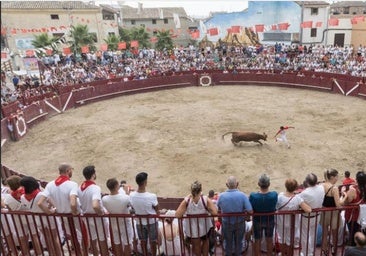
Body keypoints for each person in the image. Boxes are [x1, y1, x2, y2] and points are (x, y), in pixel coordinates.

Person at [37, 163, 87, 256]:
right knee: (84, 235)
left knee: (71, 235)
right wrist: (75, 211)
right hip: (73, 215)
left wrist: (50, 212)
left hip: (62, 215)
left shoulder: (50, 185)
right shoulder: (72, 184)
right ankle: (83, 253)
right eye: (71, 170)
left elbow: (40, 203)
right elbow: (73, 202)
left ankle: (76, 252)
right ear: (68, 171)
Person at [175, 180, 217, 256]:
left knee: (196, 245)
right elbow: (215, 212)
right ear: (201, 190)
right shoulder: (205, 199)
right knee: (205, 242)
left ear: (191, 190)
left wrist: (188, 197)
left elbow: (177, 215)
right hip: (205, 227)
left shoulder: (187, 200)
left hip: (193, 229)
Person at [20, 176, 59, 256]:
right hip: (48, 218)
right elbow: (52, 203)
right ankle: (58, 254)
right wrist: (50, 210)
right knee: (54, 238)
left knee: (47, 238)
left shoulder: (22, 197)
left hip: (38, 219)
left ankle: (51, 253)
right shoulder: (40, 194)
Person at [217, 176, 253, 256]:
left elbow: (215, 209)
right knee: (238, 243)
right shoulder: (242, 195)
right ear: (237, 184)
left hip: (227, 223)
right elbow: (250, 210)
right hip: (239, 223)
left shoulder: (221, 196)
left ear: (226, 184)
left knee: (228, 243)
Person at [77, 165, 109, 256]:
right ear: (93, 175)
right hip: (97, 217)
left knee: (93, 240)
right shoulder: (95, 188)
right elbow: (95, 205)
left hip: (87, 217)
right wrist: (101, 213)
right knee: (102, 240)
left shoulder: (79, 188)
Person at [276, 178, 311, 256]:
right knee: (289, 240)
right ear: (295, 188)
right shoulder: (297, 198)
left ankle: (282, 253)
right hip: (293, 224)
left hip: (281, 222)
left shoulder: (280, 196)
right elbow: (308, 210)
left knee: (281, 238)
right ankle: (288, 254)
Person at [129, 172, 159, 256]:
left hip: (139, 222)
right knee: (153, 241)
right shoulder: (151, 196)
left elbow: (132, 207)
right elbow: (157, 210)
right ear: (145, 182)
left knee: (143, 241)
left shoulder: (131, 195)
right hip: (151, 222)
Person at [102, 177, 133, 256]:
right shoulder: (125, 197)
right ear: (116, 186)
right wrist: (127, 192)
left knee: (117, 243)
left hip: (114, 223)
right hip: (125, 223)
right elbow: (130, 204)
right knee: (127, 243)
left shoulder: (104, 199)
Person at [249, 174, 278, 256]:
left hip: (257, 220)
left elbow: (250, 207)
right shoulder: (274, 195)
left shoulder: (253, 196)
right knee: (269, 239)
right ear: (269, 184)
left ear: (258, 184)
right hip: (270, 220)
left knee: (257, 239)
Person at [298, 173, 325, 256]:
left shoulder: (304, 193)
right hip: (317, 215)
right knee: (313, 233)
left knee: (304, 234)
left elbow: (298, 202)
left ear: (307, 182)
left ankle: (306, 252)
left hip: (307, 217)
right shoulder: (321, 188)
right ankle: (311, 251)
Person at [2, 175, 29, 255]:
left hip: (18, 219)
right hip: (27, 218)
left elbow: (8, 207)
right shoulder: (26, 191)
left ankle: (23, 253)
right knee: (32, 235)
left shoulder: (9, 197)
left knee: (23, 236)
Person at [320, 169, 343, 256]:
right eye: (337, 176)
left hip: (324, 211)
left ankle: (324, 250)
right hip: (333, 213)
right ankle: (334, 249)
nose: (337, 178)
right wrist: (344, 197)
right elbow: (338, 204)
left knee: (325, 232)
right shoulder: (334, 188)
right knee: (334, 233)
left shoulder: (322, 185)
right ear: (332, 177)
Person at [341, 170, 366, 246]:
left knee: (353, 234)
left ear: (357, 180)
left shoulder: (353, 190)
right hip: (363, 217)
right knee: (361, 232)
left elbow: (345, 203)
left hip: (353, 217)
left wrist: (343, 193)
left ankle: (354, 248)